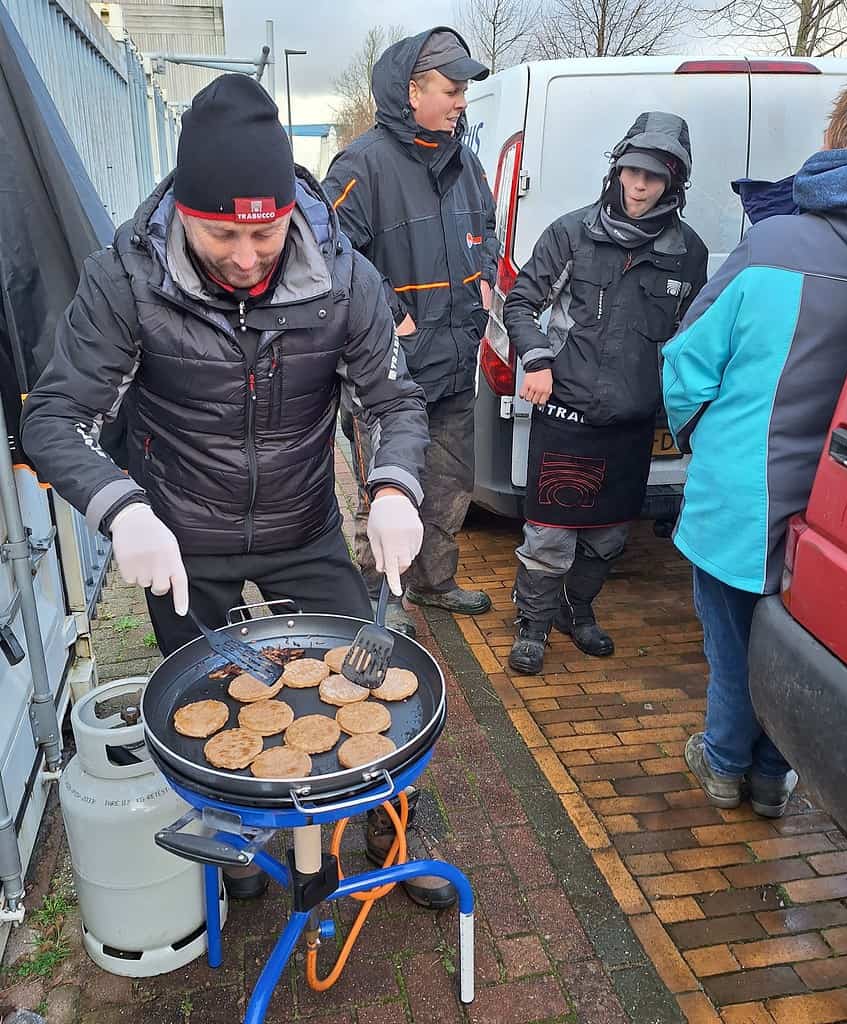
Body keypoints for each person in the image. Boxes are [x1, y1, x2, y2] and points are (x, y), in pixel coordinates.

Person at [20, 75, 441, 902]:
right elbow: (54, 415)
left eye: (267, 232)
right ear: (183, 209)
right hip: (178, 535)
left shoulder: (343, 278)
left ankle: (388, 832)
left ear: (291, 208)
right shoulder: (125, 278)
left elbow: (393, 399)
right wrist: (121, 508)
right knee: (205, 701)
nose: (247, 259)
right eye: (221, 235)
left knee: (368, 678)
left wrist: (392, 487)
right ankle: (236, 837)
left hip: (304, 522)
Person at [663, 81, 847, 818]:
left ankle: (721, 762)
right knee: (809, 641)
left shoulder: (774, 243)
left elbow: (687, 359)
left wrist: (692, 433)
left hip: (743, 491)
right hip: (834, 510)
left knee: (731, 641)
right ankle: (775, 777)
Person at [503, 113, 709, 675]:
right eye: (631, 173)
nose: (638, 187)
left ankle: (579, 611)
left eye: (653, 178)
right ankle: (534, 625)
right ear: (617, 172)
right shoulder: (572, 233)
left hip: (632, 423)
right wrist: (538, 359)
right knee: (551, 535)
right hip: (569, 413)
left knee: (609, 534)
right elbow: (520, 303)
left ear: (673, 183)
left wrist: (685, 408)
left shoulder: (688, 253)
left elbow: (690, 336)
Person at [323, 26, 500, 638]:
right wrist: (385, 304)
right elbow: (326, 245)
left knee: (449, 486)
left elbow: (488, 224)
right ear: (411, 91)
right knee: (390, 489)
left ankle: (433, 582)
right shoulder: (362, 163)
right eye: (452, 89)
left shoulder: (464, 161)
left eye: (463, 91)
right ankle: (382, 598)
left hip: (455, 362)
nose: (461, 101)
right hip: (388, 375)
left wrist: (484, 274)